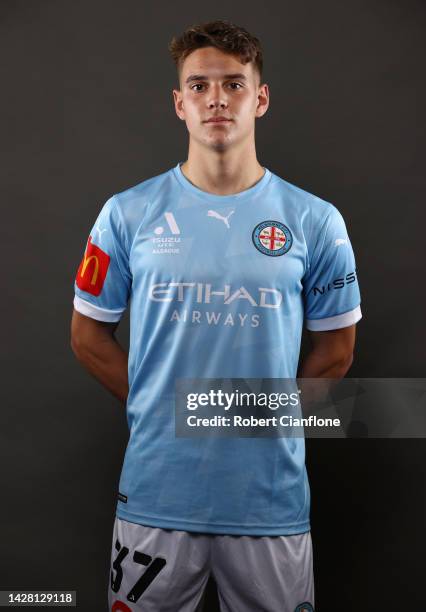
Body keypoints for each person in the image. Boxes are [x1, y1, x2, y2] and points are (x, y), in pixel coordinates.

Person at [71, 20, 361, 612]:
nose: (217, 99)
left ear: (261, 97)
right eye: (199, 86)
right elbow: (87, 337)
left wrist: (253, 419)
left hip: (269, 498)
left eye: (233, 84)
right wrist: (158, 407)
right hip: (157, 490)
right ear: (180, 104)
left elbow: (337, 351)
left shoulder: (315, 221)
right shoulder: (127, 214)